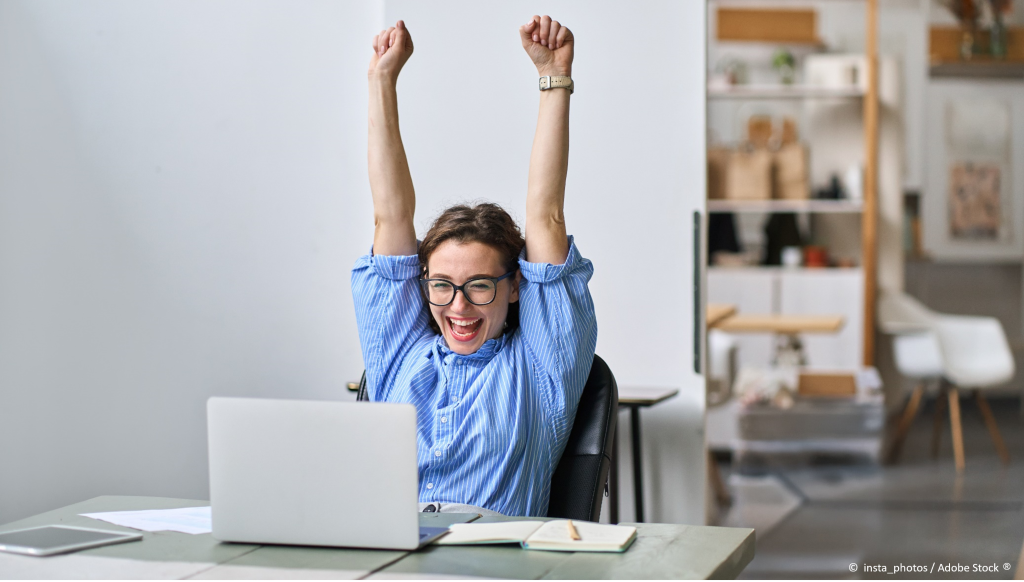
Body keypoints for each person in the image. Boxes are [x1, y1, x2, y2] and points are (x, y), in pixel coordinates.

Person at [352, 16, 596, 517]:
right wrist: (382, 81)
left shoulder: (539, 369)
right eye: (441, 285)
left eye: (479, 285)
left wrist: (553, 79)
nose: (457, 306)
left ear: (514, 287)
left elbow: (545, 216)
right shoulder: (401, 357)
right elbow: (390, 215)